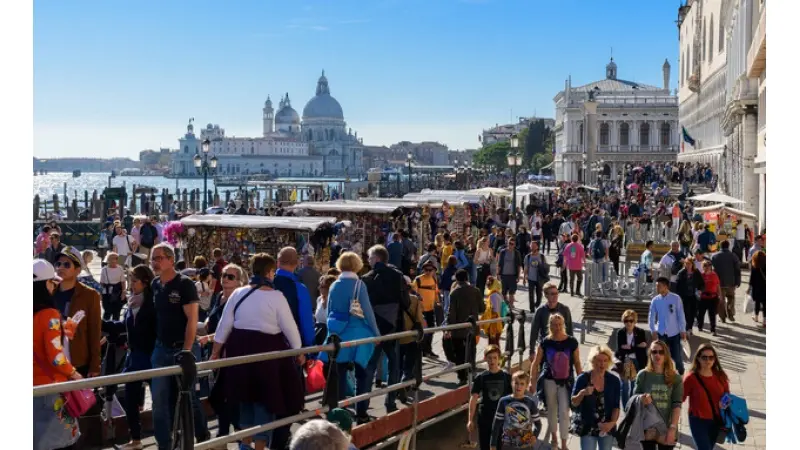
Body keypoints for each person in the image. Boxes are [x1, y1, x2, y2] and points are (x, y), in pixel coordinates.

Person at [210, 253, 304, 450]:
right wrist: (299, 352)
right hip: (267, 354)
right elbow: (290, 328)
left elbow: (224, 325)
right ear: (270, 272)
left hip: (239, 353)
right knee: (265, 399)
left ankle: (245, 444)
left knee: (244, 398)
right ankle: (260, 445)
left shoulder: (238, 294)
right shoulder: (277, 297)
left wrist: (216, 352)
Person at [149, 243, 209, 449]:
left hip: (182, 347)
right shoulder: (155, 285)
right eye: (152, 258)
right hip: (160, 347)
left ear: (171, 260)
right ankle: (164, 445)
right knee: (158, 400)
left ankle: (203, 438)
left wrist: (186, 350)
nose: (154, 262)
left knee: (189, 396)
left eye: (159, 258)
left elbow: (192, 318)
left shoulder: (184, 284)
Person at [319, 251, 381, 424]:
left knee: (338, 374)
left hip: (337, 333)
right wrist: (376, 333)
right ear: (357, 265)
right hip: (357, 332)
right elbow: (368, 312)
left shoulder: (334, 285)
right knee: (363, 373)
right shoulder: (359, 285)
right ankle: (361, 411)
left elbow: (328, 310)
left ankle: (339, 412)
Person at [101, 264, 157, 450]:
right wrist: (102, 324)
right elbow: (123, 326)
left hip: (149, 356)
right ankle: (136, 439)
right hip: (134, 356)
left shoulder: (153, 303)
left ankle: (168, 434)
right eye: (130, 280)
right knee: (131, 398)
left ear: (145, 282)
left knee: (160, 398)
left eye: (134, 281)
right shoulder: (132, 303)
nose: (131, 284)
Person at [33, 259, 83, 450]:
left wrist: (64, 332)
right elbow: (56, 358)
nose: (55, 286)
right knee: (62, 443)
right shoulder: (50, 314)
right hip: (50, 391)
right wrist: (73, 373)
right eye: (53, 282)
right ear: (44, 284)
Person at [202, 263, 245, 442]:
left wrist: (211, 338)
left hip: (230, 353)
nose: (225, 279)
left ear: (239, 282)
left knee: (222, 396)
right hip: (214, 353)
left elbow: (231, 328)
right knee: (220, 396)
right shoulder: (218, 296)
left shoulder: (239, 300)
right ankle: (229, 433)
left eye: (231, 277)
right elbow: (212, 320)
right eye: (224, 275)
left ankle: (231, 433)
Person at [529, 313, 582, 450]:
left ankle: (564, 444)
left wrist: (582, 381)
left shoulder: (571, 341)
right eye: (554, 325)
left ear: (563, 325)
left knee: (564, 411)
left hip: (566, 381)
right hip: (549, 380)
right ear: (550, 326)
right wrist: (532, 381)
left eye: (559, 324)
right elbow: (536, 363)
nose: (557, 327)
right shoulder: (545, 342)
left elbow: (577, 362)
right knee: (551, 410)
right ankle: (554, 438)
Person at [53, 246, 102, 378]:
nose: (60, 267)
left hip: (78, 362)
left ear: (78, 270)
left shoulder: (90, 295)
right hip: (51, 361)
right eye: (58, 264)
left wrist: (95, 364)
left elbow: (94, 331)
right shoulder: (49, 291)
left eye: (67, 264)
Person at [634, 340, 684, 450]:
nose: (657, 355)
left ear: (666, 355)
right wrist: (641, 399)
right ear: (649, 354)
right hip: (646, 428)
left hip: (666, 428)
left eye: (661, 352)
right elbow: (633, 400)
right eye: (654, 352)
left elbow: (677, 405)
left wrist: (673, 428)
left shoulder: (675, 378)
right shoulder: (643, 375)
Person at [571, 345, 621, 450]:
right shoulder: (583, 379)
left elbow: (616, 406)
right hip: (588, 426)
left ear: (609, 362)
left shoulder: (614, 381)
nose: (602, 364)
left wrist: (612, 423)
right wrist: (583, 393)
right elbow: (573, 402)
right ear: (593, 361)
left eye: (605, 360)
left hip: (606, 426)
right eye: (599, 360)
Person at [682, 344, 730, 450]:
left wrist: (725, 402)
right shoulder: (691, 378)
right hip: (698, 420)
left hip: (716, 420)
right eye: (704, 357)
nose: (708, 360)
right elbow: (680, 398)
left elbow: (727, 394)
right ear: (698, 358)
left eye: (711, 357)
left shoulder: (720, 375)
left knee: (709, 447)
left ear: (714, 359)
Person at [445, 269, 485, 385]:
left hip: (458, 330)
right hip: (472, 328)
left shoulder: (454, 293)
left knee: (459, 353)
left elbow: (451, 313)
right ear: (467, 278)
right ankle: (472, 372)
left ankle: (462, 377)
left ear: (457, 280)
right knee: (471, 351)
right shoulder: (476, 291)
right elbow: (482, 308)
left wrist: (449, 328)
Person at [468, 345, 512, 450]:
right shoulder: (481, 377)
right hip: (485, 419)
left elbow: (512, 399)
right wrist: (470, 419)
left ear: (499, 359)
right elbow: (473, 399)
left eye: (495, 357)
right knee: (485, 446)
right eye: (489, 358)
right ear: (485, 359)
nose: (492, 361)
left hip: (501, 419)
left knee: (499, 446)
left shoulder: (506, 377)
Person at [490, 371, 542, 450]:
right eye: (516, 383)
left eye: (522, 384)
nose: (518, 386)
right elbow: (496, 424)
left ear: (527, 386)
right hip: (507, 444)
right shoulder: (503, 401)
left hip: (526, 445)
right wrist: (493, 444)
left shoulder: (530, 402)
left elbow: (538, 424)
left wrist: (534, 436)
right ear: (511, 383)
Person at [648, 277, 687, 375]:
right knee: (661, 356)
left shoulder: (676, 298)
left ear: (665, 286)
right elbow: (651, 316)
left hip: (674, 333)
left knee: (677, 357)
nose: (657, 288)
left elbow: (680, 315)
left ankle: (681, 373)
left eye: (659, 286)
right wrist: (653, 330)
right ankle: (663, 375)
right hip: (661, 333)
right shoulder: (655, 300)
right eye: (656, 286)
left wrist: (683, 330)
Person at [615, 310, 649, 409]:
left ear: (635, 321)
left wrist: (629, 347)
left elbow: (642, 350)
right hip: (626, 360)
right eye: (626, 321)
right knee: (625, 385)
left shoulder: (641, 332)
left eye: (631, 320)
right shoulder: (620, 332)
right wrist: (636, 346)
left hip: (638, 361)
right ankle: (626, 408)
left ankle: (632, 406)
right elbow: (620, 350)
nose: (628, 323)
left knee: (635, 385)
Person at [528, 282, 574, 350]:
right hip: (545, 347)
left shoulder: (564, 309)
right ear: (546, 295)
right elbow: (534, 332)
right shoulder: (540, 311)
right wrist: (531, 351)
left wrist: (571, 349)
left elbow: (569, 330)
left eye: (557, 293)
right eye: (552, 294)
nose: (555, 296)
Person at [414, 260, 441, 358]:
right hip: (421, 311)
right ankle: (421, 350)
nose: (428, 272)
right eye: (426, 270)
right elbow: (413, 293)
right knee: (422, 332)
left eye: (431, 270)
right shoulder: (418, 280)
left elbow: (435, 291)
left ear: (434, 270)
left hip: (430, 309)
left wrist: (438, 302)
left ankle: (428, 350)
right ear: (423, 270)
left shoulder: (434, 279)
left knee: (431, 330)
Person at [711, 240, 741, 324]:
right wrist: (738, 281)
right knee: (731, 298)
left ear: (720, 246)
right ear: (728, 246)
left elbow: (712, 270)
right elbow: (737, 270)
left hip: (719, 283)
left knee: (721, 300)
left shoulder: (715, 256)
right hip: (731, 282)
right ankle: (730, 313)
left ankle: (722, 317)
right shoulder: (733, 256)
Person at [674, 258, 704, 334]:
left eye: (689, 264)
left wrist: (700, 290)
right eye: (686, 264)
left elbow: (702, 283)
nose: (688, 265)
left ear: (692, 264)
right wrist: (677, 295)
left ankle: (690, 328)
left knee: (693, 312)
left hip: (694, 296)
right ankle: (686, 328)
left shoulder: (696, 272)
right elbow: (677, 284)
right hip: (684, 296)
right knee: (686, 312)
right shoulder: (681, 272)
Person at [523, 241, 549, 311]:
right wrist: (524, 277)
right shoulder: (527, 257)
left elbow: (546, 267)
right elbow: (525, 267)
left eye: (534, 246)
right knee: (531, 295)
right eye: (531, 246)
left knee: (539, 294)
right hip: (530, 278)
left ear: (537, 247)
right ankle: (532, 309)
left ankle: (537, 303)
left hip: (539, 279)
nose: (532, 247)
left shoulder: (542, 256)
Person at [698, 261, 722, 335]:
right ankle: (700, 326)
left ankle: (713, 330)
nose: (707, 267)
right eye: (705, 265)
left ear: (711, 266)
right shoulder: (701, 275)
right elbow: (698, 286)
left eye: (709, 265)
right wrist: (699, 292)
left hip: (713, 297)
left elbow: (718, 285)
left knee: (712, 314)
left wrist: (720, 295)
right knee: (701, 314)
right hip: (703, 297)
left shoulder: (714, 275)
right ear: (703, 267)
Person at [496, 238, 523, 305]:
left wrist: (518, 276)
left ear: (514, 245)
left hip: (513, 276)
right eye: (509, 243)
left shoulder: (517, 253)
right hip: (504, 275)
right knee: (503, 293)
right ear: (507, 243)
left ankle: (511, 307)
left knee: (511, 293)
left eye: (512, 244)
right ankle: (506, 304)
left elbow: (519, 265)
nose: (510, 245)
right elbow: (499, 263)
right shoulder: (503, 252)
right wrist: (498, 274)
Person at [315, 275, 337, 345]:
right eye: (319, 285)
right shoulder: (319, 299)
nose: (318, 288)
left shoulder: (335, 301)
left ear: (330, 288)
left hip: (330, 336)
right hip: (318, 335)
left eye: (322, 286)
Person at [749, 250, 766, 327]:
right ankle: (764, 321)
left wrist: (749, 287)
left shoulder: (754, 266)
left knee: (757, 303)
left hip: (757, 288)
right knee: (765, 304)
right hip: (765, 287)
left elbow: (751, 279)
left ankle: (756, 317)